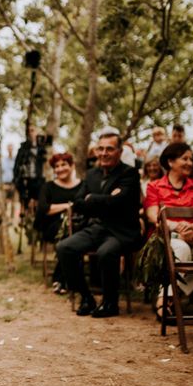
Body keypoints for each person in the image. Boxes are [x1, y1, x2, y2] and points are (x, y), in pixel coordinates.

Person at [56, 127, 142, 318]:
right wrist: (104, 200)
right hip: (97, 227)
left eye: (109, 149)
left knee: (106, 252)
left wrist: (92, 199)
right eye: (100, 149)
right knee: (65, 248)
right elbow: (78, 203)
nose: (104, 153)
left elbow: (121, 203)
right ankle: (87, 298)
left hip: (122, 230)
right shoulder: (92, 174)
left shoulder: (129, 174)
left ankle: (110, 303)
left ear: (119, 152)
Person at [144, 142, 193, 320]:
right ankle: (168, 302)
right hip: (167, 236)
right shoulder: (154, 186)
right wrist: (176, 226)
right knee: (181, 249)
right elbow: (152, 215)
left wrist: (192, 227)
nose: (189, 163)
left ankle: (167, 297)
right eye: (184, 158)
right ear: (170, 162)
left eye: (191, 159)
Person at [34, 152, 82, 294]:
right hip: (52, 226)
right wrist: (68, 206)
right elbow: (44, 209)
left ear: (72, 166)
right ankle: (61, 279)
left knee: (77, 234)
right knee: (70, 235)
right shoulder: (48, 187)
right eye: (57, 166)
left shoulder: (82, 184)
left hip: (78, 225)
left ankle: (63, 278)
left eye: (64, 165)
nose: (60, 169)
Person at [13, 125, 47, 215]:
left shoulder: (42, 147)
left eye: (33, 130)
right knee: (25, 204)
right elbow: (17, 164)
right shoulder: (23, 147)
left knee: (37, 202)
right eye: (29, 131)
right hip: (25, 180)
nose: (31, 133)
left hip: (38, 180)